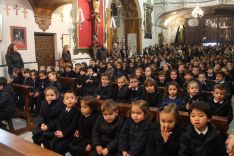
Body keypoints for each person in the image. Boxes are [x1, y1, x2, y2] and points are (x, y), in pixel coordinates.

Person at [41, 90, 79, 154]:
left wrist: (63, 133)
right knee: (53, 143)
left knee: (60, 147)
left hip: (69, 135)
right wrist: (59, 130)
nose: (70, 100)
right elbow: (59, 121)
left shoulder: (77, 112)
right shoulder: (63, 109)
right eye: (67, 98)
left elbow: (73, 126)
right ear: (64, 101)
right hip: (60, 131)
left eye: (72, 98)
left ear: (76, 100)